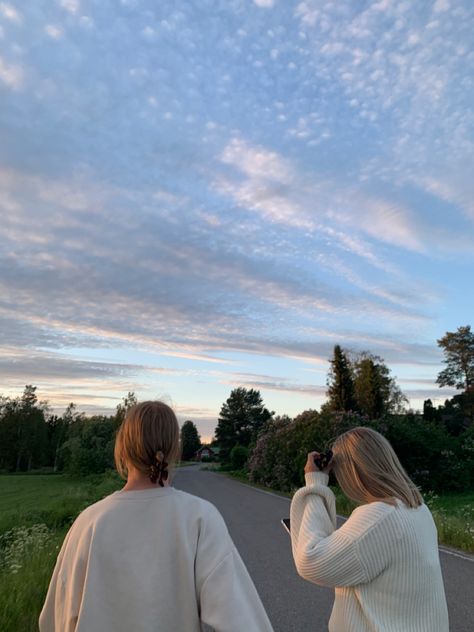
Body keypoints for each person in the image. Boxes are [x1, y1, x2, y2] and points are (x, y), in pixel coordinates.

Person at [39, 401, 273, 632]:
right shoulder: (200, 518)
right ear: (173, 451)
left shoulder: (87, 522)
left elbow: (54, 620)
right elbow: (243, 621)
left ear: (122, 449)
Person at [290, 426, 449, 632]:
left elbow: (310, 562)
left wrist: (315, 483)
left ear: (352, 472)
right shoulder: (418, 509)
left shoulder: (378, 518)